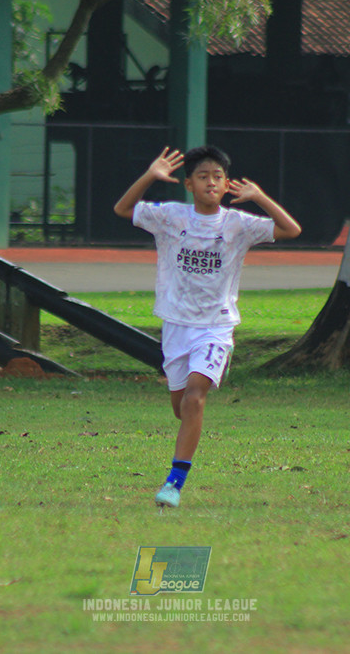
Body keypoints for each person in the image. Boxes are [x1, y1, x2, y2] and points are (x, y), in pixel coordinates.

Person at [114, 146, 302, 508]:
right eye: (203, 176)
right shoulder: (170, 217)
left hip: (216, 326)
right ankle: (191, 417)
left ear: (227, 184)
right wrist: (150, 175)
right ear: (189, 184)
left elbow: (291, 229)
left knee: (195, 398)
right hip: (176, 325)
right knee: (181, 407)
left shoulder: (237, 223)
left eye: (218, 177)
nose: (211, 183)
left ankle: (174, 483)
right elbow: (123, 209)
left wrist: (259, 196)